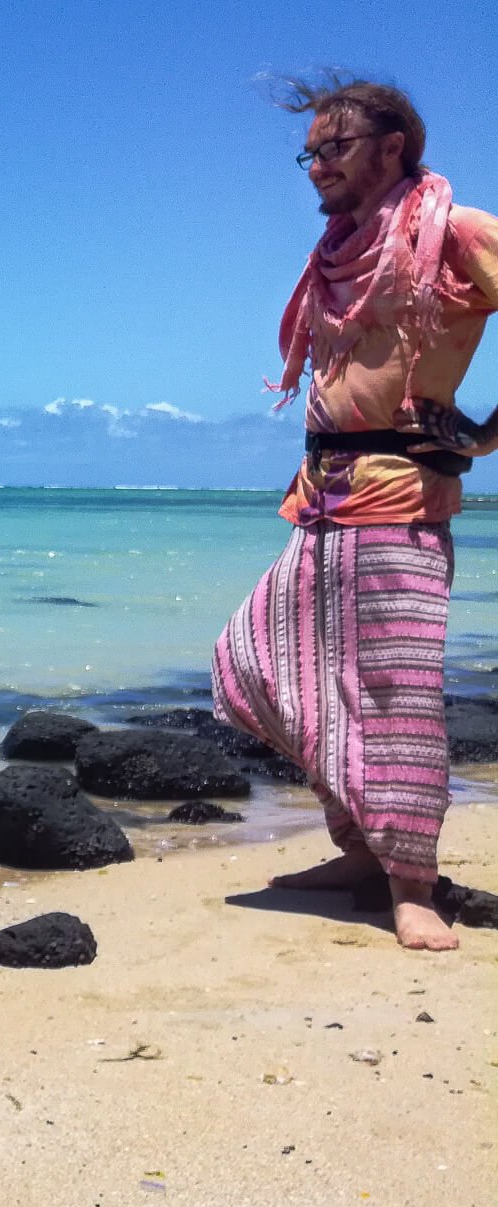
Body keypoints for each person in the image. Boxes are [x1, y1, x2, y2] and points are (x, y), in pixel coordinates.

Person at [212, 75, 498, 951]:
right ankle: (363, 852)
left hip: (404, 499)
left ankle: (413, 885)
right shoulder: (343, 244)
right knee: (254, 664)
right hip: (324, 501)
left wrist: (486, 436)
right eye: (308, 151)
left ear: (392, 148)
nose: (313, 168)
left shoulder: (452, 230)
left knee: (394, 698)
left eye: (330, 149)